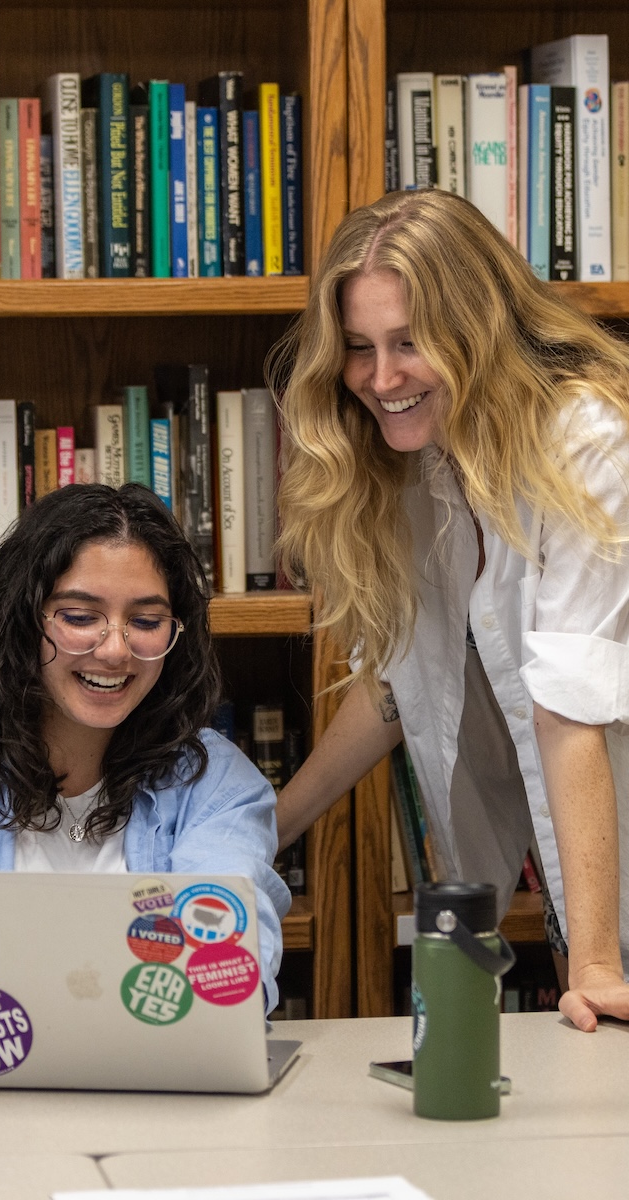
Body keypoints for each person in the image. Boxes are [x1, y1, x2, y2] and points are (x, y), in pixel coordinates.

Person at [268, 188, 629, 1033]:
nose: (381, 379)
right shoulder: (421, 460)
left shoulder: (586, 437)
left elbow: (567, 706)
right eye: (359, 348)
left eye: (410, 344)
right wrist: (269, 828)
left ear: (477, 329)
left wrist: (598, 957)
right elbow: (404, 676)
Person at [0, 483, 290, 1033]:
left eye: (145, 622)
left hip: (154, 1105)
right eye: (79, 616)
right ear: (26, 618)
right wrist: (90, 1007)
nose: (115, 649)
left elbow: (224, 974)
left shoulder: (217, 783)